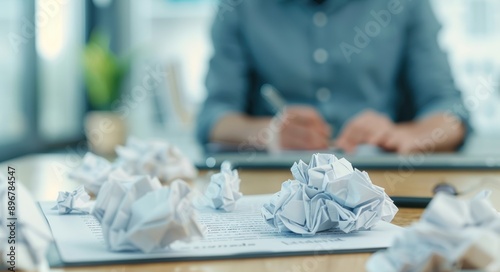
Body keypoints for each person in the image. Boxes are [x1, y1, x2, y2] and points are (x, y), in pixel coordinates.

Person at [196, 0, 469, 154]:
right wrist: (269, 133)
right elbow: (214, 116)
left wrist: (404, 135)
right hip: (273, 186)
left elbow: (450, 112)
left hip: (384, 186)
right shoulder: (239, 7)